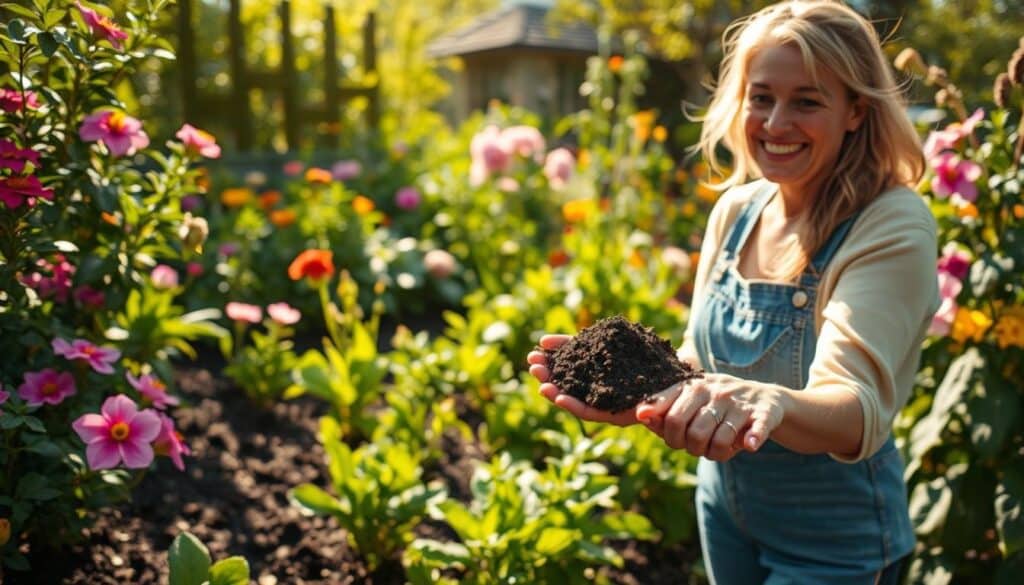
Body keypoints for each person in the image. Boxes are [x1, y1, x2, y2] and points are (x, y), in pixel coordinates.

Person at [527, 1, 940, 583]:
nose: (774, 124)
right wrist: (645, 385)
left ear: (855, 110)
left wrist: (769, 403)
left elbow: (856, 410)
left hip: (833, 544)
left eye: (808, 100)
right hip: (725, 514)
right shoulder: (739, 210)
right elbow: (700, 358)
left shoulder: (891, 223)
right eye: (762, 96)